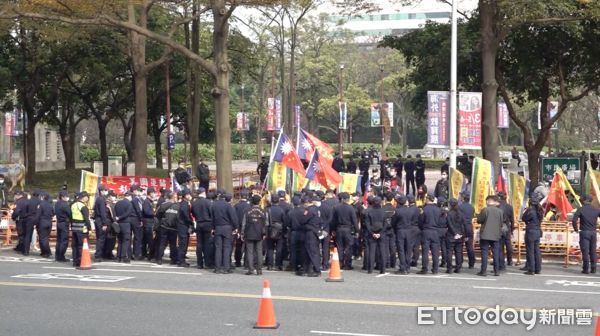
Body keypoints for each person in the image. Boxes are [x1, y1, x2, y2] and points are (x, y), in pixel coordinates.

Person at [211, 189, 238, 274]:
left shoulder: (213, 205)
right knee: (227, 247)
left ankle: (217, 268)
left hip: (217, 227)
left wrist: (213, 227)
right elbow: (233, 217)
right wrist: (236, 227)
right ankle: (226, 267)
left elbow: (212, 218)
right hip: (227, 227)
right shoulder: (228, 205)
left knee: (218, 248)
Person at [476, 195, 504, 276]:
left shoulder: (485, 210)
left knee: (484, 253)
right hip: (496, 234)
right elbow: (501, 223)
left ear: (489, 201)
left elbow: (479, 220)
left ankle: (483, 271)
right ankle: (496, 271)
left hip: (485, 234)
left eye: (487, 201)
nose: (486, 202)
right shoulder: (500, 211)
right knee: (496, 253)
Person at [572, 194, 600, 274]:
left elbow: (574, 220)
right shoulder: (596, 210)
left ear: (584, 200)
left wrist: (576, 229)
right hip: (593, 232)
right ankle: (593, 269)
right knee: (593, 251)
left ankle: (585, 269)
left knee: (585, 251)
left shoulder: (580, 209)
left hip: (584, 232)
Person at [241, 195, 267, 275]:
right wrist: (265, 233)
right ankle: (259, 270)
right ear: (259, 201)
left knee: (250, 252)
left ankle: (251, 269)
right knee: (259, 251)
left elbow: (244, 224)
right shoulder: (263, 211)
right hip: (259, 233)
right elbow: (266, 223)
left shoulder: (247, 210)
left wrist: (242, 233)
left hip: (249, 232)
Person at [332, 192, 358, 270]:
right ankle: (348, 264)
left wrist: (333, 229)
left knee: (340, 247)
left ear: (342, 199)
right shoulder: (351, 208)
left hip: (339, 229)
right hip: (348, 229)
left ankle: (340, 263)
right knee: (349, 247)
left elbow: (333, 220)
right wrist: (357, 230)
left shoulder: (336, 207)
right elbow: (354, 220)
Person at [417, 194, 441, 275]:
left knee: (425, 251)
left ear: (427, 199)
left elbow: (420, 221)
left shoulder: (424, 209)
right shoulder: (438, 209)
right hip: (435, 231)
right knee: (435, 252)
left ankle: (424, 269)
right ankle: (435, 269)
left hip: (426, 230)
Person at [364, 196, 387, 274]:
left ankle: (370, 269)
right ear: (381, 202)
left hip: (372, 233)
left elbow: (367, 224)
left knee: (372, 251)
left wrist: (373, 233)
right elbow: (386, 224)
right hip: (381, 233)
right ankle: (383, 269)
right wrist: (380, 233)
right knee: (382, 251)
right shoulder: (383, 212)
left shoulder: (369, 212)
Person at [155, 191, 179, 265]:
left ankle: (159, 259)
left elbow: (157, 214)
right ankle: (173, 259)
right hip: (173, 228)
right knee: (173, 244)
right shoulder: (178, 206)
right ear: (174, 197)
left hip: (164, 226)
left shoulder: (163, 205)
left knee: (162, 243)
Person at [192, 187, 214, 269]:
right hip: (207, 223)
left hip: (199, 223)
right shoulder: (208, 202)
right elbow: (211, 213)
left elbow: (193, 214)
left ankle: (199, 263)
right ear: (204, 192)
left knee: (199, 243)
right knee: (207, 244)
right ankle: (207, 262)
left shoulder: (194, 203)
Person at [301, 195, 322, 277]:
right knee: (309, 251)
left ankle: (317, 270)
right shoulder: (316, 209)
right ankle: (307, 269)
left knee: (312, 251)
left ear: (307, 203)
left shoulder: (310, 210)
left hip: (310, 232)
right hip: (315, 231)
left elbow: (303, 220)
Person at [521, 197, 543, 275]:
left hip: (531, 231)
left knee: (530, 251)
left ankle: (531, 269)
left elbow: (523, 218)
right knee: (537, 251)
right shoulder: (540, 210)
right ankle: (538, 269)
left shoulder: (530, 210)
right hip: (537, 231)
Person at [70, 192, 92, 267]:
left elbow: (70, 217)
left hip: (74, 228)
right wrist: (89, 229)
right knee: (81, 246)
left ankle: (75, 261)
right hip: (82, 229)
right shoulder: (83, 206)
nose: (88, 199)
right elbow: (87, 219)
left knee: (74, 245)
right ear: (84, 197)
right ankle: (80, 261)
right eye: (87, 197)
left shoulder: (73, 205)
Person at [446, 198, 465, 273]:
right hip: (460, 235)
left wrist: (454, 233)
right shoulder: (461, 213)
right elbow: (463, 225)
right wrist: (461, 234)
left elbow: (449, 224)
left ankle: (449, 268)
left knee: (449, 252)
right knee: (458, 252)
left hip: (451, 235)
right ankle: (458, 267)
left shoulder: (449, 213)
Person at [114, 192, 134, 263]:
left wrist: (117, 218)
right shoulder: (129, 204)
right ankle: (123, 256)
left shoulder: (118, 203)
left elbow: (114, 212)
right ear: (129, 197)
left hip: (119, 224)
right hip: (126, 223)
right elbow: (128, 213)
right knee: (126, 240)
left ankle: (118, 257)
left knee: (120, 240)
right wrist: (120, 217)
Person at [497, 192, 514, 271]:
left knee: (500, 246)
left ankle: (500, 262)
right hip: (507, 227)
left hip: (499, 227)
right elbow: (512, 219)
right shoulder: (509, 207)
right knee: (508, 244)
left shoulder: (497, 206)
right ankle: (510, 260)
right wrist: (512, 229)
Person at [457, 192, 475, 269]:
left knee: (460, 246)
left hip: (461, 227)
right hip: (469, 227)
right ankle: (471, 263)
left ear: (463, 198)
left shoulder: (460, 207)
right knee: (469, 246)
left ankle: (460, 262)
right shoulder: (472, 207)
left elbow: (458, 218)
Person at [233, 191, 251, 268]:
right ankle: (246, 263)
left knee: (238, 245)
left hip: (238, 227)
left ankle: (237, 261)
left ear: (240, 196)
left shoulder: (236, 206)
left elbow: (234, 217)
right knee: (248, 246)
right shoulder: (249, 206)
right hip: (248, 228)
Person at [177, 189, 194, 267]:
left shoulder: (185, 203)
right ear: (186, 195)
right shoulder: (184, 204)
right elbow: (186, 216)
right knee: (183, 243)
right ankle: (181, 260)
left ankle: (181, 259)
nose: (190, 196)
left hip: (183, 225)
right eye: (189, 194)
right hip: (183, 226)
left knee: (184, 243)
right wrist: (191, 222)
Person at [22, 190, 41, 256]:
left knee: (28, 235)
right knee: (40, 235)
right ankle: (43, 251)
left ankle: (26, 251)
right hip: (37, 219)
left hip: (29, 218)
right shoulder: (39, 202)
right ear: (38, 195)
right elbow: (40, 211)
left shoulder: (28, 201)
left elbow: (25, 211)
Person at [93, 185, 110, 262]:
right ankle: (98, 255)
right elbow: (103, 212)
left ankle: (99, 254)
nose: (106, 191)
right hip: (100, 220)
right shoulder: (101, 199)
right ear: (101, 191)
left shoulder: (98, 199)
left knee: (99, 238)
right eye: (105, 190)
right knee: (101, 238)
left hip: (98, 220)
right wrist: (104, 223)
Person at [54, 191, 71, 262]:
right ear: (63, 197)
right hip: (64, 223)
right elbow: (70, 213)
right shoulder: (65, 205)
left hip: (59, 223)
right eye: (66, 196)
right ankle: (61, 256)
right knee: (64, 241)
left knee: (59, 240)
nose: (67, 198)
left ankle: (57, 255)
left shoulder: (57, 204)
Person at [141, 187, 157, 261]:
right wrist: (154, 213)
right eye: (153, 192)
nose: (154, 194)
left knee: (146, 240)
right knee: (150, 240)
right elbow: (147, 212)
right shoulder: (146, 202)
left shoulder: (150, 201)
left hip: (149, 223)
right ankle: (151, 256)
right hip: (148, 223)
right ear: (150, 193)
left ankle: (145, 254)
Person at [36, 192, 54, 258]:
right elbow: (53, 213)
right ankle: (44, 251)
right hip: (49, 222)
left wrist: (35, 223)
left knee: (43, 238)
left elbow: (38, 214)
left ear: (43, 197)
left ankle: (46, 252)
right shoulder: (50, 204)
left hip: (42, 222)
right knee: (46, 238)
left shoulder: (41, 204)